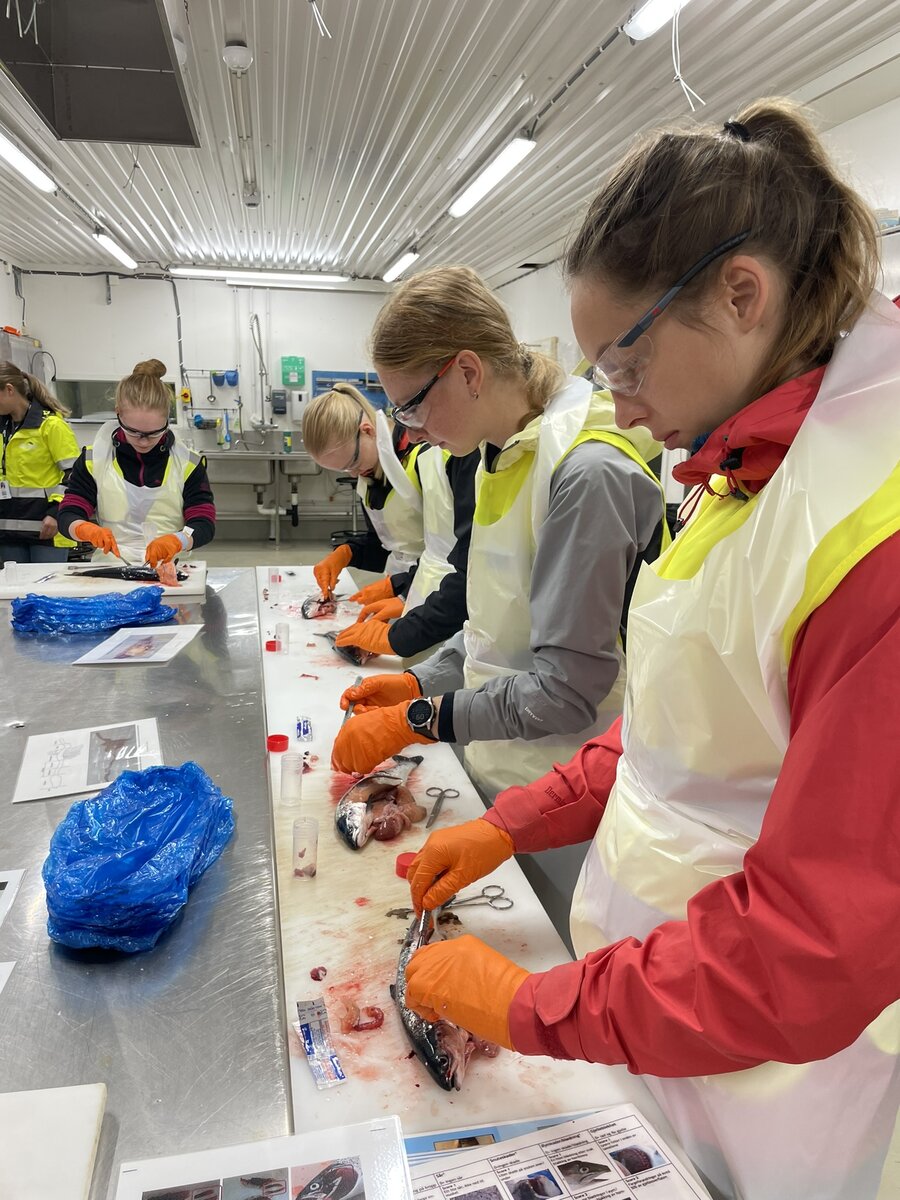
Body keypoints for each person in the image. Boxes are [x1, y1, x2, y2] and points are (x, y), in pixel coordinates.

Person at [401, 102, 900, 1200]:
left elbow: (813, 942)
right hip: (657, 1040)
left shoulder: (875, 521)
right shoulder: (740, 467)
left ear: (741, 294)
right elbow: (676, 729)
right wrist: (508, 824)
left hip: (783, 1099)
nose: (614, 404)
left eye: (623, 360)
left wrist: (532, 1006)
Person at [331, 265, 664, 800]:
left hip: (566, 789)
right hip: (503, 762)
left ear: (468, 372)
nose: (409, 431)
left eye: (412, 406)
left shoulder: (584, 474)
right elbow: (501, 627)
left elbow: (564, 690)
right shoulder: (501, 454)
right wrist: (423, 678)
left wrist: (417, 717)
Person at [304, 382, 479, 658]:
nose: (352, 474)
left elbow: (451, 554)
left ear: (368, 431)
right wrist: (346, 554)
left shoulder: (431, 459)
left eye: (351, 462)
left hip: (441, 597)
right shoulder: (368, 474)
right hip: (414, 594)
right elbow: (387, 542)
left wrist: (401, 589)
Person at [58, 359, 215, 565]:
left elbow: (203, 521)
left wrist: (179, 540)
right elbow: (69, 512)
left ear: (168, 419)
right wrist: (82, 528)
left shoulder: (188, 464)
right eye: (133, 432)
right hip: (110, 568)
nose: (143, 441)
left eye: (154, 433)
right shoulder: (94, 460)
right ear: (118, 414)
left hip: (170, 567)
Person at [0, 362, 80, 563]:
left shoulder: (50, 425)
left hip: (47, 530)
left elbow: (75, 476)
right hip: (9, 530)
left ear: (9, 390)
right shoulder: (3, 428)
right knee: (14, 594)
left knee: (45, 592)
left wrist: (56, 513)